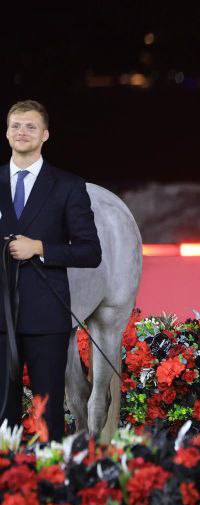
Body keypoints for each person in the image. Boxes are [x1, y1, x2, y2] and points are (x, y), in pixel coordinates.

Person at [0, 100, 102, 440]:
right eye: (16, 125)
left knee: (47, 416)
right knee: (2, 418)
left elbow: (90, 252)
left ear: (45, 134)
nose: (22, 132)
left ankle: (49, 486)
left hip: (46, 318)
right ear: (7, 133)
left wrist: (40, 248)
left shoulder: (68, 185)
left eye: (30, 126)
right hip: (1, 318)